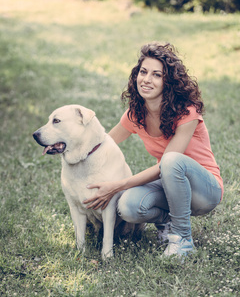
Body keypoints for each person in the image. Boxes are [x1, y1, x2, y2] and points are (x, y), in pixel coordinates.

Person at [83, 42, 224, 258]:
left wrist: (117, 185)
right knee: (128, 206)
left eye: (156, 75)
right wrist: (76, 151)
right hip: (171, 183)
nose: (147, 79)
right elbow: (103, 144)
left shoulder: (187, 112)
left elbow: (168, 163)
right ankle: (167, 221)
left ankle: (183, 239)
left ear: (168, 82)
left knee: (170, 161)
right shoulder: (136, 113)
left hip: (204, 190)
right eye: (143, 72)